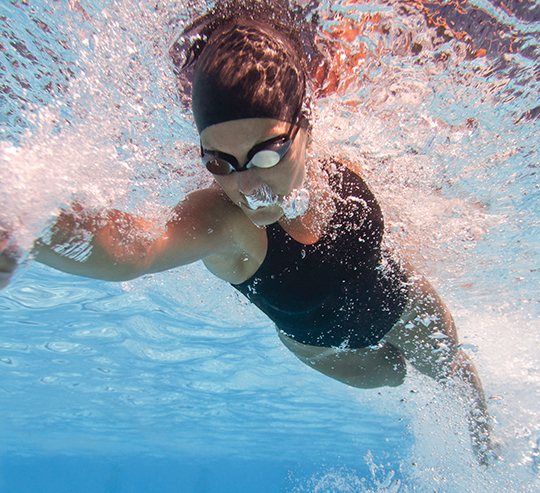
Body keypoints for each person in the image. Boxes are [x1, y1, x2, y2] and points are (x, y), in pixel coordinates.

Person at [0, 0, 494, 464]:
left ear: (308, 129)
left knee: (451, 367)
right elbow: (135, 250)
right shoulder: (229, 224)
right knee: (393, 374)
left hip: (399, 297)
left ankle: (486, 461)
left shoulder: (342, 161)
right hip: (325, 348)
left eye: (267, 153)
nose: (247, 183)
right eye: (219, 161)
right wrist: (28, 218)